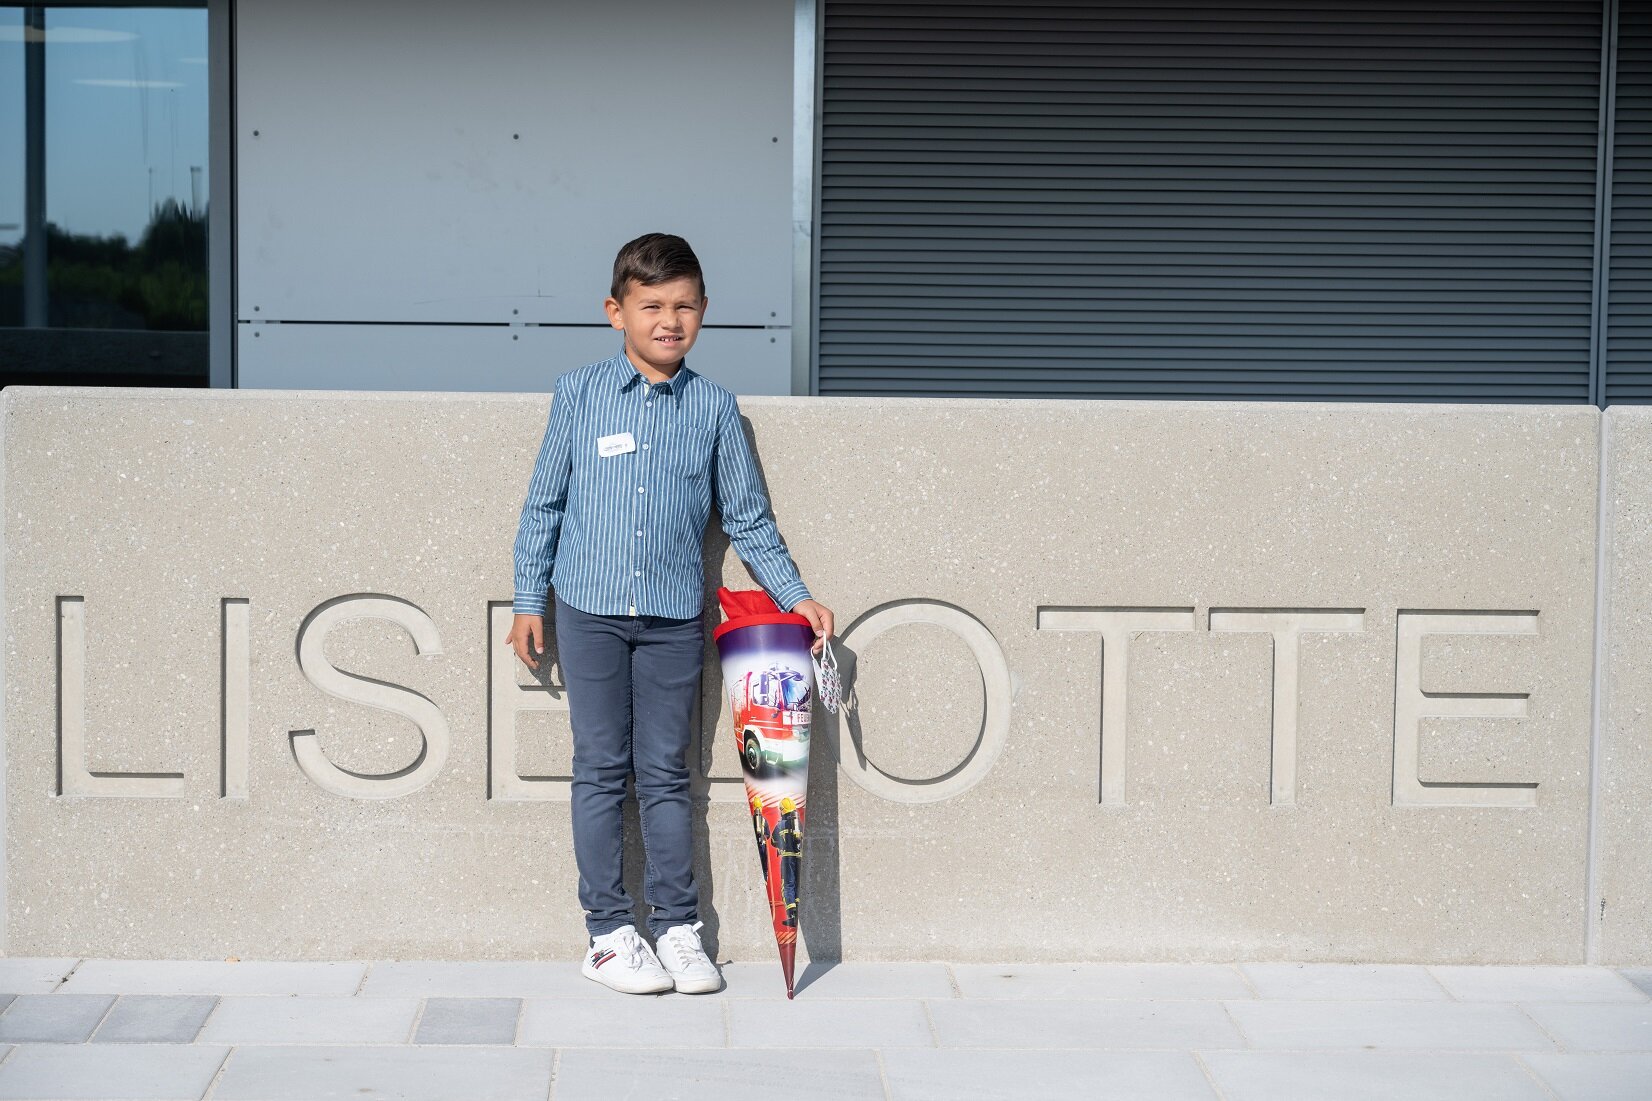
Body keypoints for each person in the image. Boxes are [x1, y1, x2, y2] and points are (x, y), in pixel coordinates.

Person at [507, 233, 833, 995]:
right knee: (599, 768)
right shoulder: (577, 394)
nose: (668, 320)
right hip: (586, 610)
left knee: (666, 772)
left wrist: (795, 595)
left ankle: (678, 928)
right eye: (651, 305)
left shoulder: (715, 409)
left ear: (704, 312)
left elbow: (748, 520)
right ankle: (608, 934)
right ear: (615, 311)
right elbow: (545, 504)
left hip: (673, 619)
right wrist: (530, 599)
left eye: (684, 305)